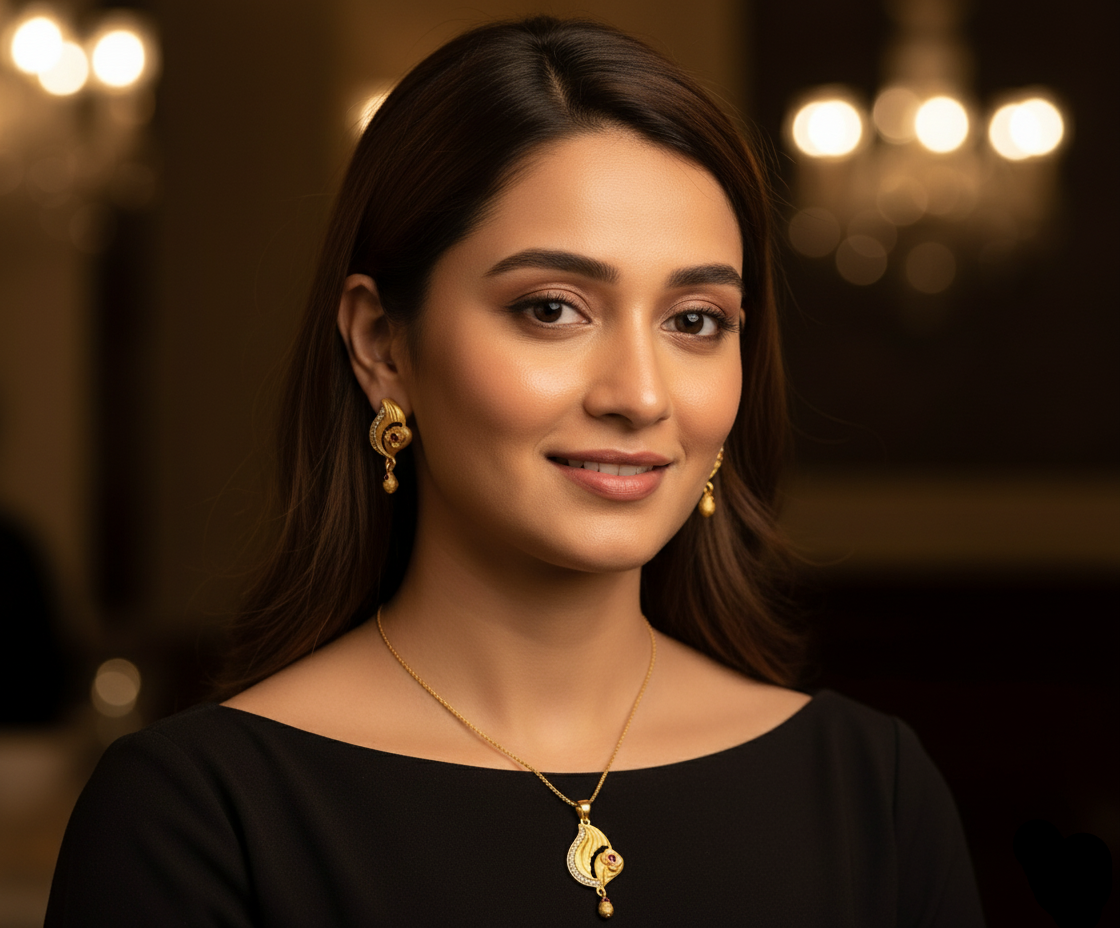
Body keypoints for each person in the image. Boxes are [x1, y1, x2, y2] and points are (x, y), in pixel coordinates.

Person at [45, 16, 985, 926]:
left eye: (696, 320)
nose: (641, 395)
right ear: (383, 345)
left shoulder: (873, 791)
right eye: (552, 309)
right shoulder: (196, 817)